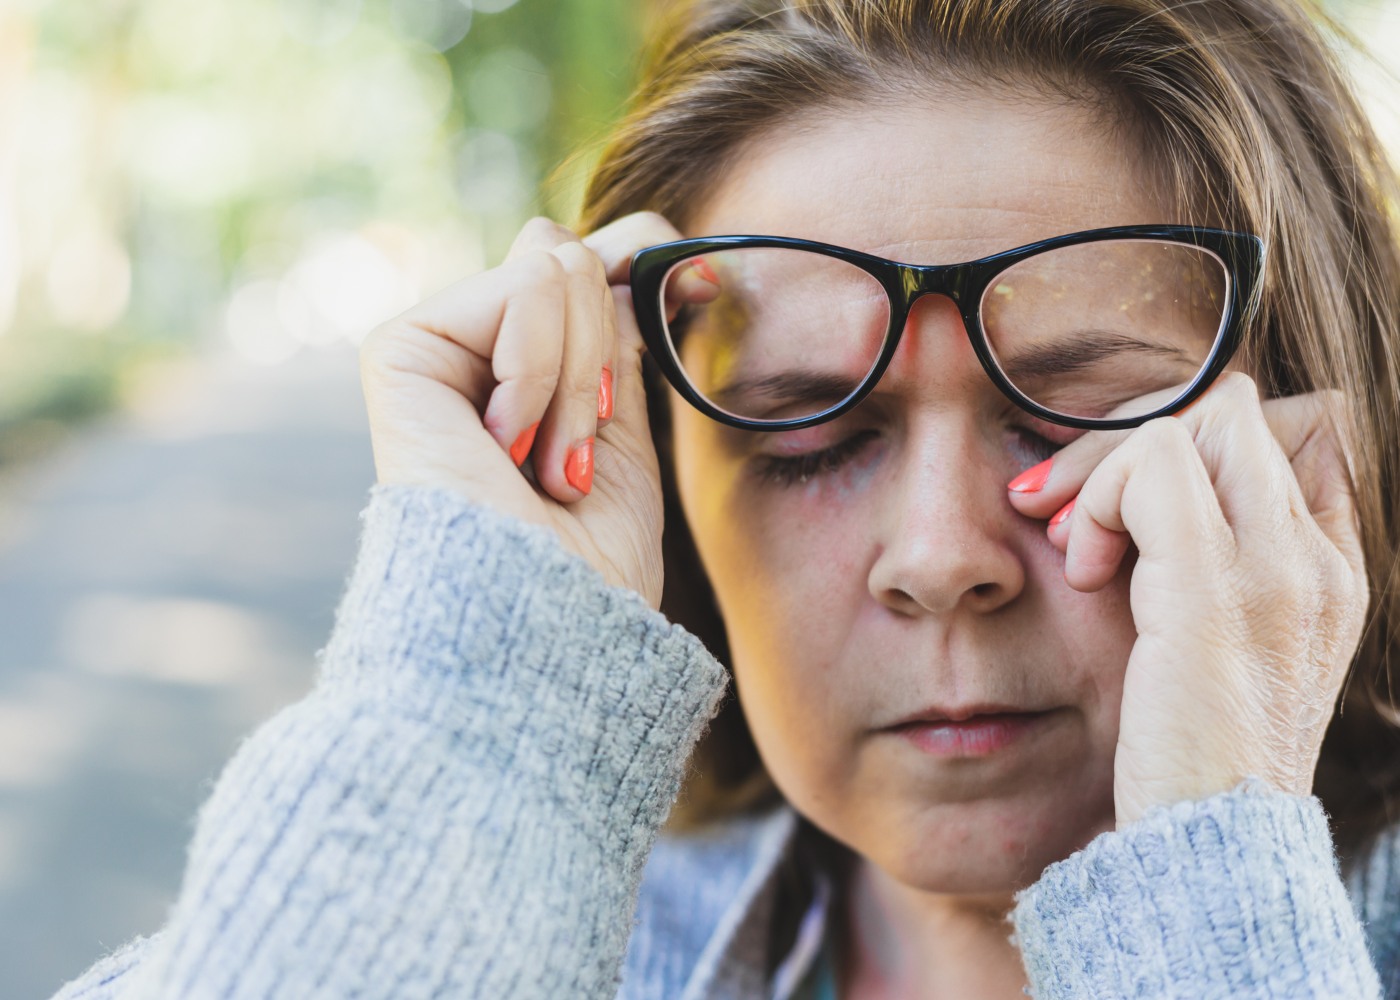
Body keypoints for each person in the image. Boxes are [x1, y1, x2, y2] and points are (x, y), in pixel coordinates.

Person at [53, 0, 1400, 996]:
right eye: (806, 433)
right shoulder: (531, 929)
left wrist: (1215, 885)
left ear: (1316, 444)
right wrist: (484, 700)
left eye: (1081, 410)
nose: (940, 555)